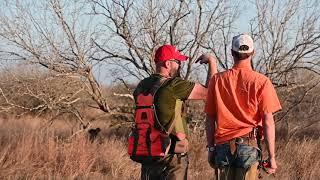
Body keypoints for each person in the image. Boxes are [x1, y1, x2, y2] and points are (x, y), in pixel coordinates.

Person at [133, 44, 217, 180]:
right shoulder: (173, 85)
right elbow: (210, 92)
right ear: (168, 64)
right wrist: (212, 62)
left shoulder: (141, 86)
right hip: (171, 156)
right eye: (177, 62)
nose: (179, 65)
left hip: (148, 152)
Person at [205, 34, 282, 180]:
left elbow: (209, 119)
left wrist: (211, 148)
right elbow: (268, 121)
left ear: (232, 52)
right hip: (248, 145)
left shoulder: (217, 80)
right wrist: (272, 157)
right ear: (253, 53)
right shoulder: (262, 82)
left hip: (222, 147)